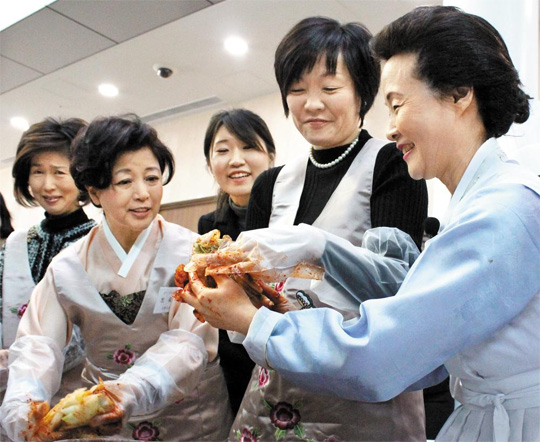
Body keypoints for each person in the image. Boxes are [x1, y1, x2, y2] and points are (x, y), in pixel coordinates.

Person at [181, 6, 540, 442]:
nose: (391, 128)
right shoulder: (484, 202)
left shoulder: (499, 211)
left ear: (460, 94)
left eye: (397, 105)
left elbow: (388, 349)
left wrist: (256, 318)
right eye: (297, 89)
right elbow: (426, 344)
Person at [228, 16, 429, 442]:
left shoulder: (391, 163)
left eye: (330, 88)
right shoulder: (271, 184)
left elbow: (397, 288)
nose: (312, 104)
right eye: (297, 89)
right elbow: (259, 285)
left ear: (362, 93)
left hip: (358, 386)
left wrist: (314, 248)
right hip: (278, 382)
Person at [0, 115, 232, 441]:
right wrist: (24, 407)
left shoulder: (194, 252)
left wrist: (127, 392)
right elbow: (38, 344)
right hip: (105, 420)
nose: (143, 194)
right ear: (94, 192)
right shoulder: (67, 268)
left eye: (152, 178)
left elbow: (188, 342)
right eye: (124, 182)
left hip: (188, 418)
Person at [0, 118, 94, 437]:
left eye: (59, 172)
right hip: (11, 397)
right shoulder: (16, 242)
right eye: (37, 171)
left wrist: (19, 361)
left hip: (77, 397)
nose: (47, 185)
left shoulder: (98, 243)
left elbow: (95, 329)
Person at [198, 108, 276, 415]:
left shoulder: (291, 217)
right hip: (233, 363)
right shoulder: (209, 226)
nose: (236, 160)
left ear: (270, 156)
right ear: (210, 164)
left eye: (248, 146)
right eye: (222, 150)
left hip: (284, 353)